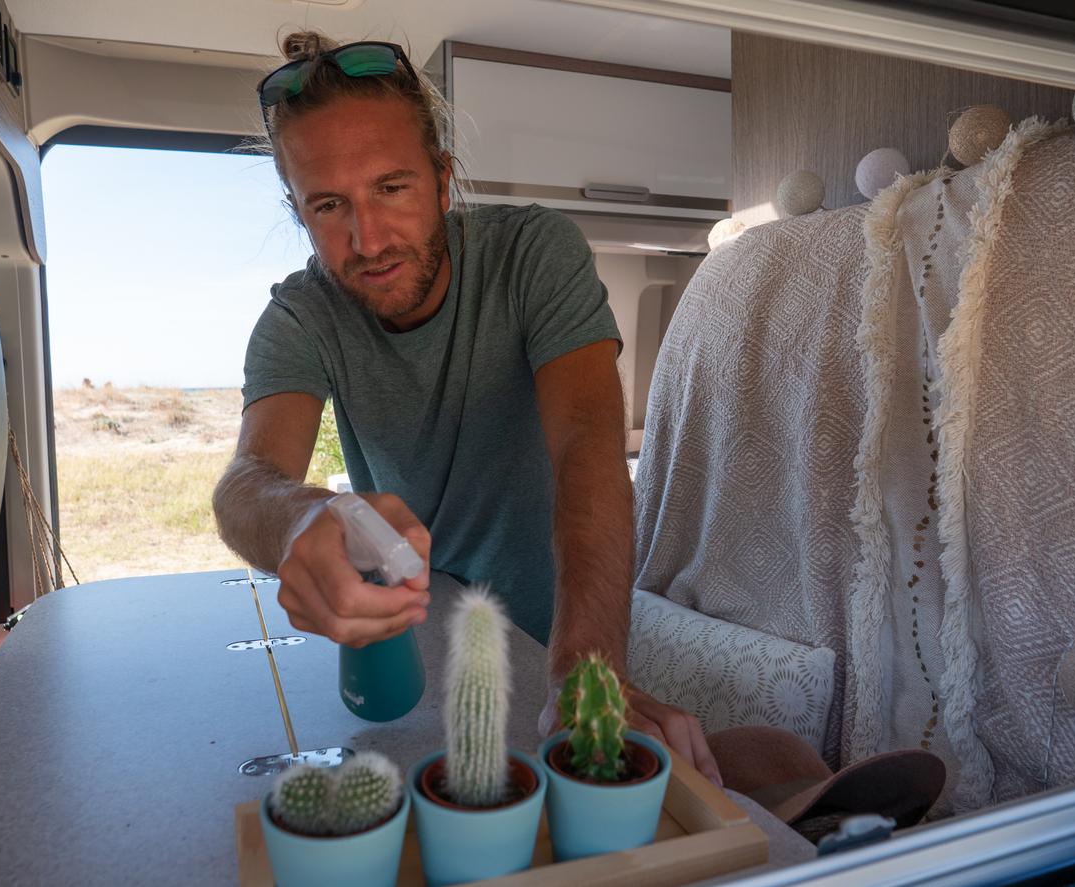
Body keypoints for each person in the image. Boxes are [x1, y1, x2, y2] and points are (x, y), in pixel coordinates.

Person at [212, 30, 720, 784]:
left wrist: (585, 670)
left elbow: (586, 444)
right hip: (429, 631)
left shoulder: (532, 256)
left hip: (564, 628)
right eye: (329, 204)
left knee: (752, 769)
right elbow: (247, 480)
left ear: (443, 182)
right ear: (299, 211)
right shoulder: (300, 316)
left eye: (391, 187)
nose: (368, 237)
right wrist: (303, 518)